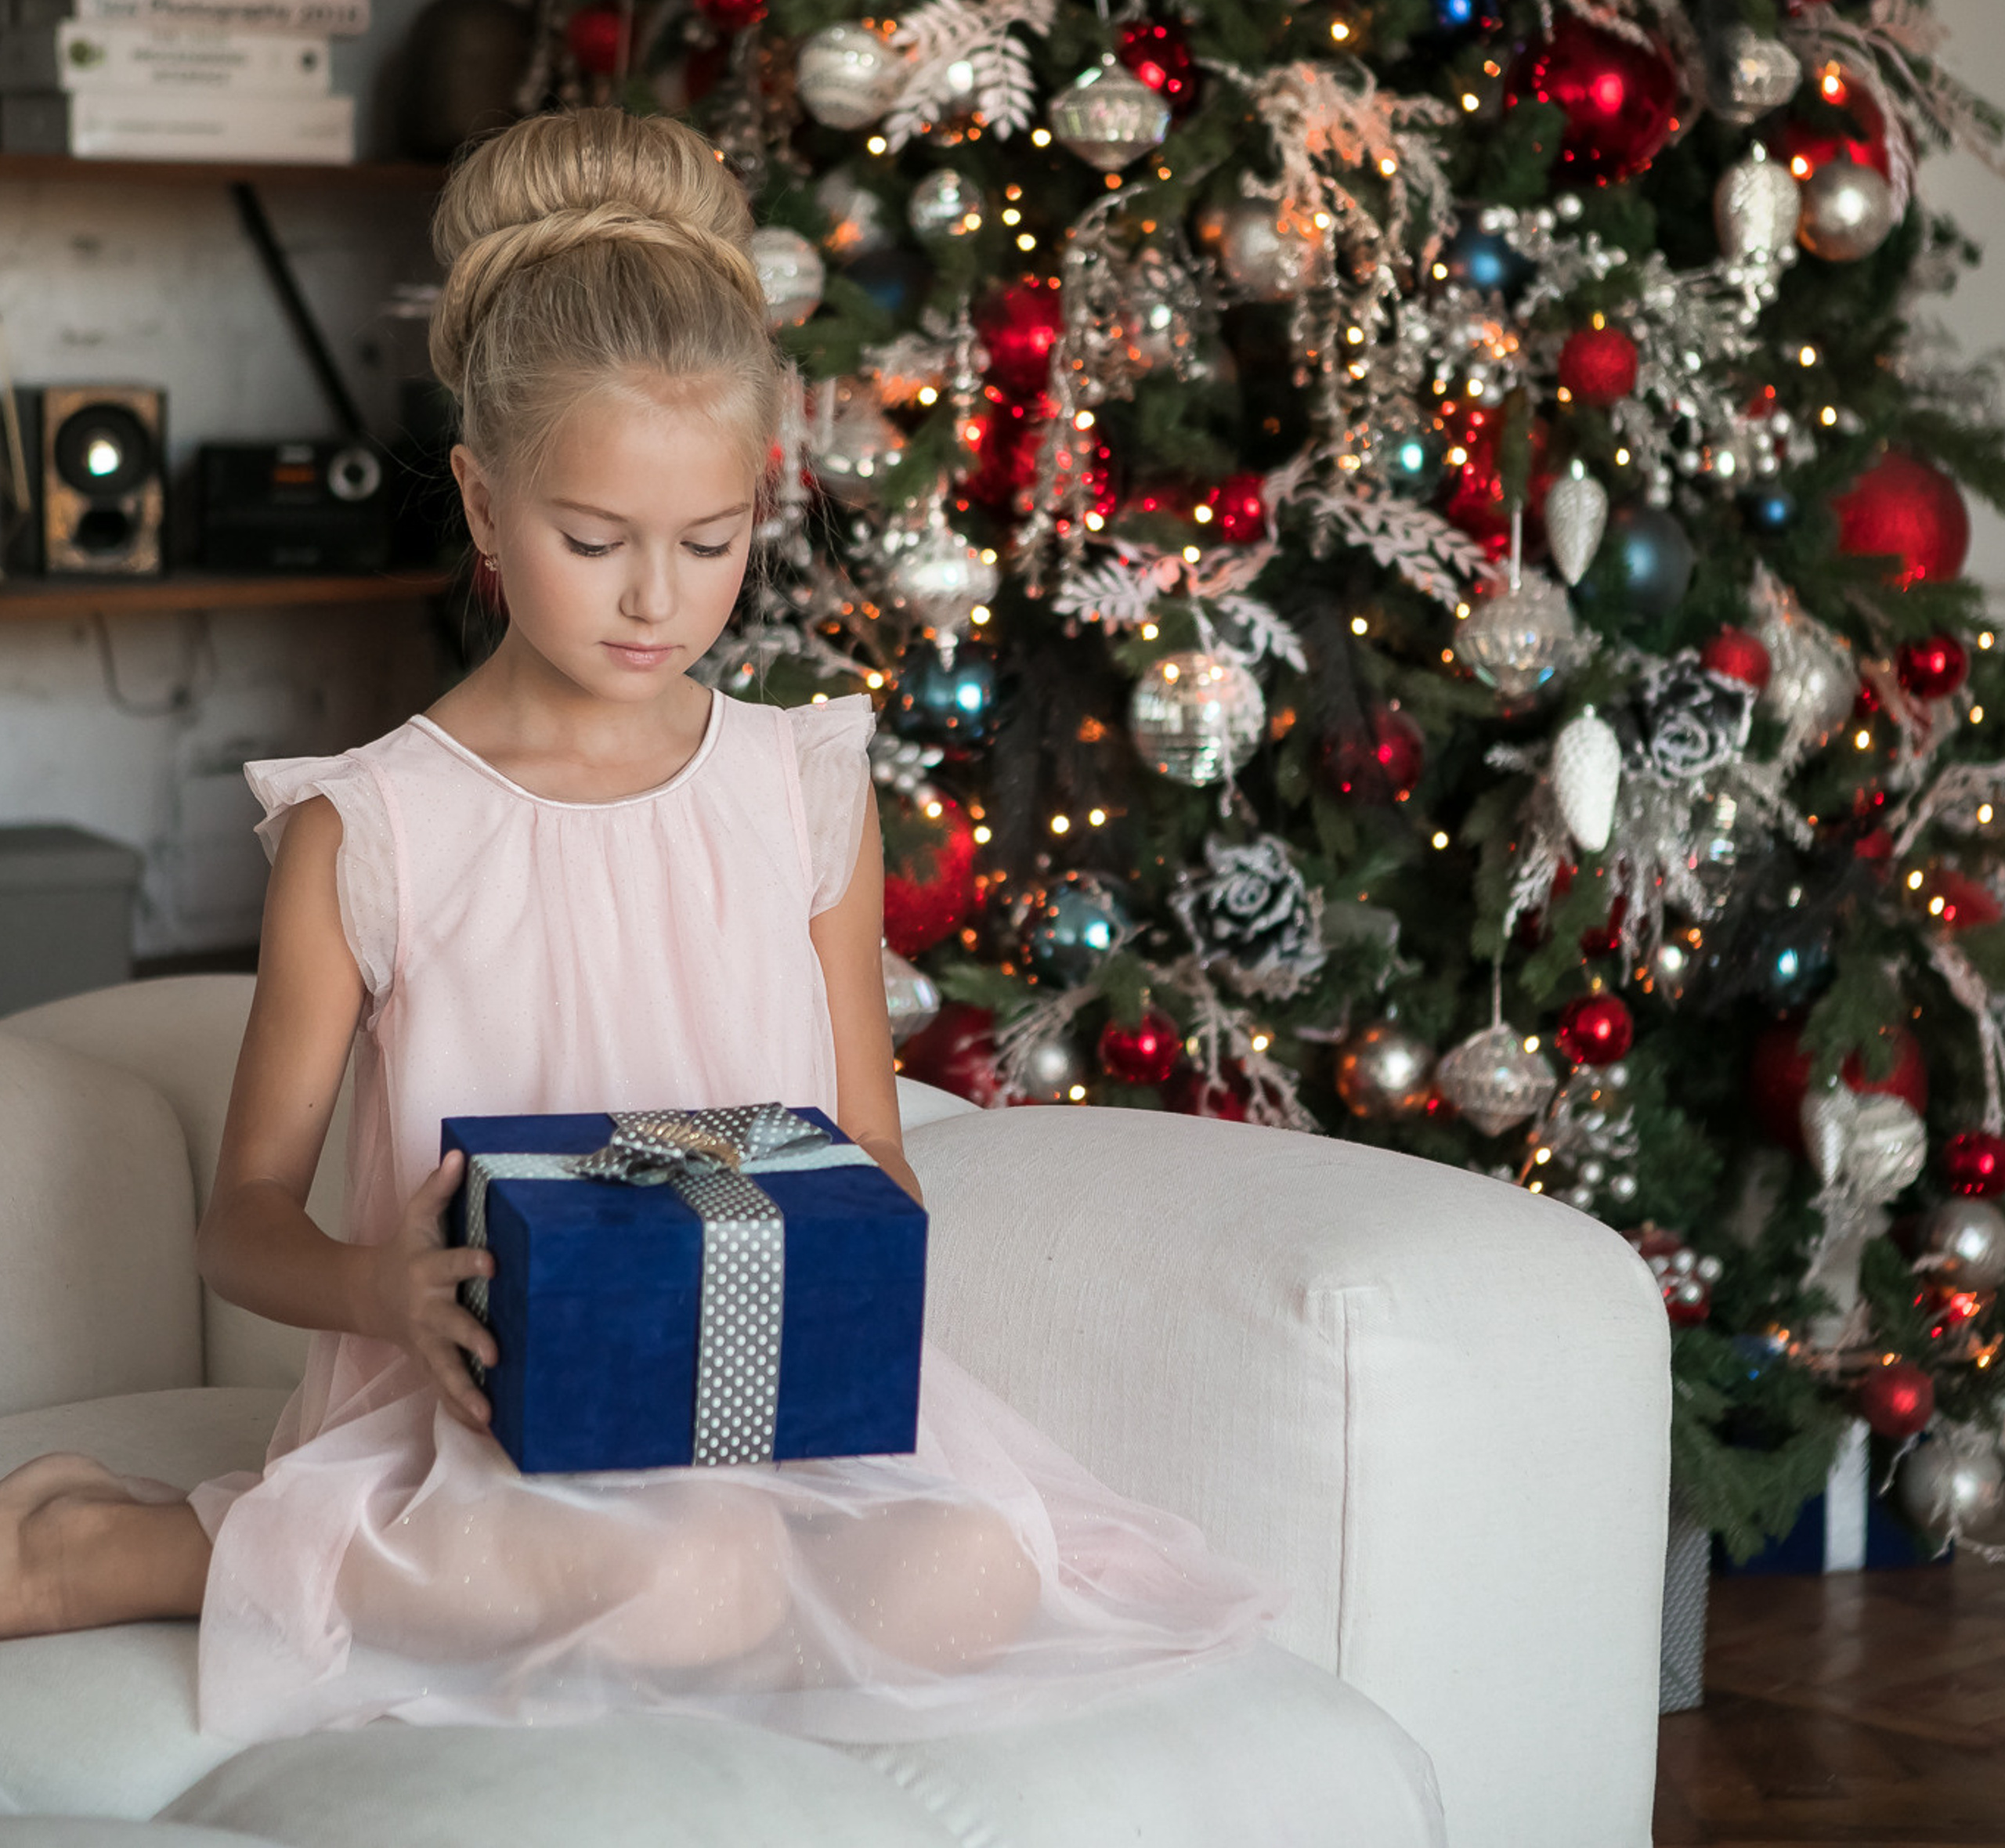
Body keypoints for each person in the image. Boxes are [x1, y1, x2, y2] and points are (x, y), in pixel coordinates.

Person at [0, 108, 1280, 1742]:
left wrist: (805, 1248)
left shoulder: (797, 782)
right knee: (700, 1589)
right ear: (479, 500)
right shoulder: (372, 825)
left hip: (761, 1394)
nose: (653, 601)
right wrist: (383, 1288)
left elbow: (874, 1157)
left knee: (971, 1574)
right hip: (473, 1418)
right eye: (592, 541)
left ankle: (639, 1571)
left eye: (711, 541)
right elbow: (238, 1218)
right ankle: (147, 1541)